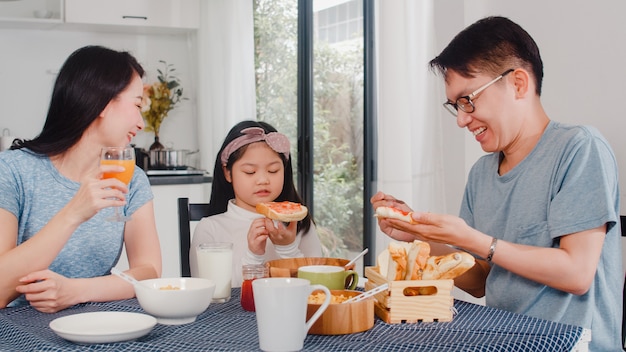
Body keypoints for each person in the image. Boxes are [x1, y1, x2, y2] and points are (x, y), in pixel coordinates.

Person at [371, 16, 622, 351]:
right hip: (503, 340)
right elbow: (479, 282)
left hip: (573, 344)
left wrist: (474, 239)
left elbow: (576, 273)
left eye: (468, 100)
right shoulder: (481, 173)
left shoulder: (579, 148)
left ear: (518, 83)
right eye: (455, 106)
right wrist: (422, 234)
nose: (461, 119)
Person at [0, 46, 162, 313]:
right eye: (136, 105)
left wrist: (76, 291)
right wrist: (74, 213)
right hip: (20, 330)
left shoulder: (131, 179)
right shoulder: (13, 171)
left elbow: (149, 271)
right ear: (103, 103)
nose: (141, 122)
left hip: (96, 321)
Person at [190, 120, 322, 286]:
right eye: (250, 172)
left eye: (273, 170)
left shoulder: (299, 224)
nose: (263, 180)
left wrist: (287, 249)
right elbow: (210, 295)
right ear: (228, 172)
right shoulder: (210, 228)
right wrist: (253, 255)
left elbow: (319, 288)